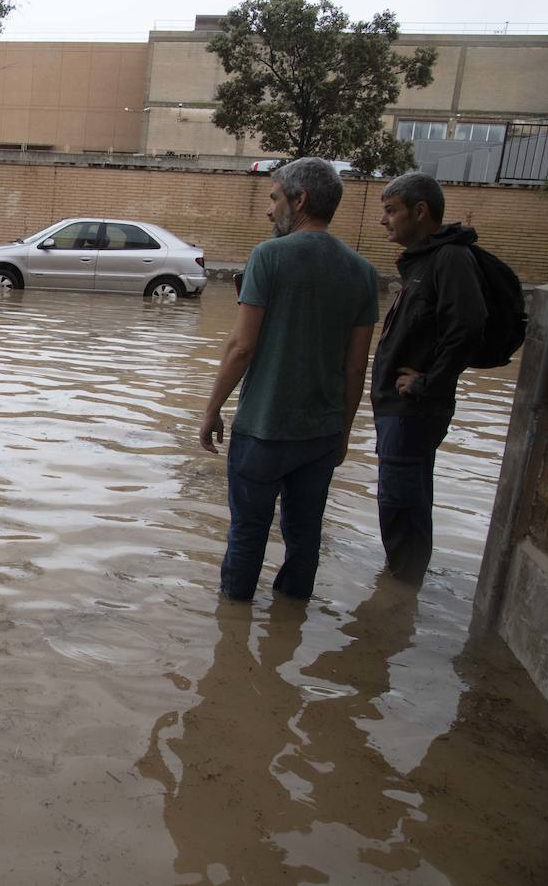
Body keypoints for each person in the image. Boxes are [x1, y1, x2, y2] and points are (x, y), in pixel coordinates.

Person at [199, 158, 379, 601]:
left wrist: (211, 409)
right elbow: (356, 367)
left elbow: (242, 347)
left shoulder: (268, 256)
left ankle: (233, 630)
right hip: (320, 433)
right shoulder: (363, 273)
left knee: (248, 532)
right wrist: (344, 433)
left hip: (263, 428)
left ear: (299, 200)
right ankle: (289, 624)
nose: (269, 210)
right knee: (304, 536)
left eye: (275, 198)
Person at [372, 173, 486, 580]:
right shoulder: (424, 261)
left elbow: (469, 326)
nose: (383, 221)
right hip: (400, 410)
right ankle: (402, 591)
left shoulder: (449, 259)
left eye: (390, 211)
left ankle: (400, 598)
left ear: (420, 212)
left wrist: (427, 382)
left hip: (412, 410)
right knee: (405, 501)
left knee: (401, 503)